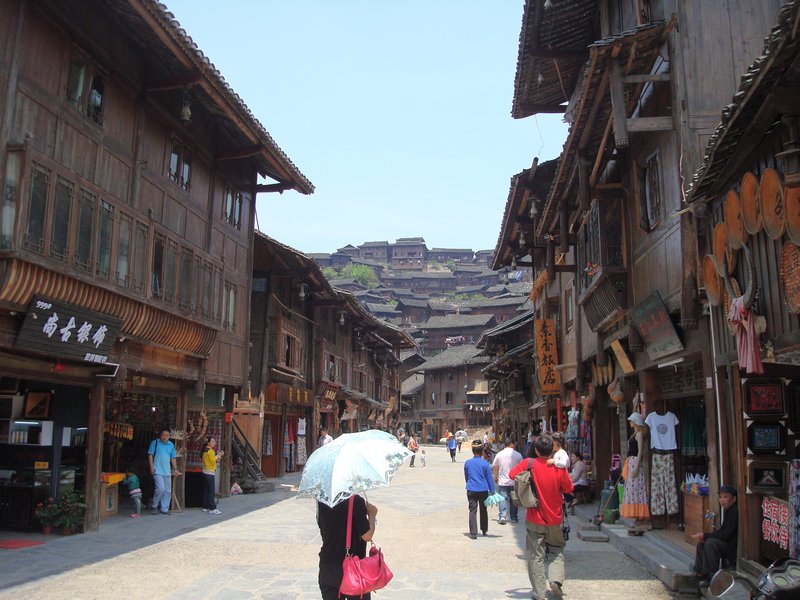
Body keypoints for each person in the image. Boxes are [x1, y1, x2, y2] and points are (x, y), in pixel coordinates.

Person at [509, 435, 574, 600]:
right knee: (557, 550)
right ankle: (555, 581)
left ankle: (539, 593)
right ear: (552, 449)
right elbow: (568, 488)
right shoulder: (559, 468)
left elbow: (511, 474)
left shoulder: (529, 464)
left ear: (536, 450)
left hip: (534, 518)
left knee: (536, 557)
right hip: (555, 518)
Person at [317, 494, 378, 600]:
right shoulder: (356, 501)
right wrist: (372, 515)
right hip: (352, 569)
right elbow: (367, 535)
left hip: (328, 568)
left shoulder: (322, 500)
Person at [691, 485, 739, 587]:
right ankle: (700, 572)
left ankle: (711, 576)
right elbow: (722, 531)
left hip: (732, 547)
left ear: (733, 499)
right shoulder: (728, 510)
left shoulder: (735, 512)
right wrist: (704, 536)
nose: (722, 500)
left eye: (725, 497)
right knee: (702, 543)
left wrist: (706, 536)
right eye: (721, 497)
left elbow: (726, 535)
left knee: (710, 543)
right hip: (727, 543)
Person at [620, 413, 650, 522]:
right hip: (631, 461)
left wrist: (637, 467)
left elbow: (640, 451)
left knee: (636, 487)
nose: (630, 423)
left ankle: (638, 514)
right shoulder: (635, 433)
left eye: (632, 421)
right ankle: (635, 514)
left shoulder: (639, 434)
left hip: (635, 462)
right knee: (631, 488)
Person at [464, 440, 496, 539]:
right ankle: (484, 529)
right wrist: (492, 490)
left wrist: (469, 484)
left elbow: (466, 476)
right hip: (483, 489)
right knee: (483, 509)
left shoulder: (468, 463)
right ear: (482, 451)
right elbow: (489, 478)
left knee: (472, 510)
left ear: (472, 450)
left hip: (471, 488)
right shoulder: (485, 464)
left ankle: (473, 532)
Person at [148, 428, 180, 515]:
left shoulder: (171, 445)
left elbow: (172, 458)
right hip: (157, 469)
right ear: (160, 435)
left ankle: (164, 509)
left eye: (167, 435)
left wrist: (175, 468)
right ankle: (154, 506)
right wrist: (151, 467)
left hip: (167, 471)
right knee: (160, 489)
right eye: (163, 435)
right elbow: (150, 455)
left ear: (169, 436)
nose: (164, 437)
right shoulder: (155, 442)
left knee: (167, 491)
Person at [492, 437, 523, 524]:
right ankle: (513, 517)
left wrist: (495, 477)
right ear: (511, 444)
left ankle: (503, 515)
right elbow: (521, 468)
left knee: (503, 499)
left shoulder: (499, 454)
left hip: (502, 481)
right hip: (514, 481)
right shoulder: (518, 455)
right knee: (514, 500)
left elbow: (495, 467)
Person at [201, 437, 224, 515]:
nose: (214, 442)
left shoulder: (204, 450)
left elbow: (215, 460)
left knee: (207, 490)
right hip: (209, 473)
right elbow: (213, 460)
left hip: (205, 472)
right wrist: (219, 455)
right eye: (213, 441)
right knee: (211, 491)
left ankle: (205, 506)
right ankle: (212, 508)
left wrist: (219, 456)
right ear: (208, 442)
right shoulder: (210, 451)